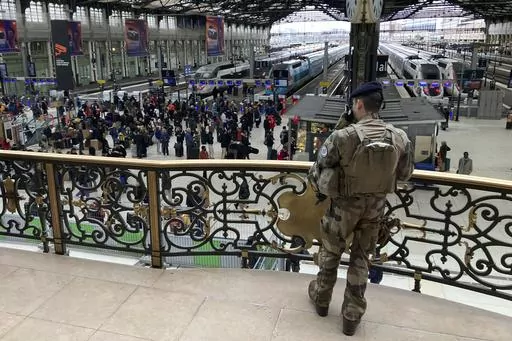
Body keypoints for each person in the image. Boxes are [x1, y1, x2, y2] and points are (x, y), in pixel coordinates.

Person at [307, 82, 414, 336]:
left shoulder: (343, 136)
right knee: (361, 259)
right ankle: (352, 315)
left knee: (331, 251)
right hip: (375, 210)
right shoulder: (399, 137)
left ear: (358, 104)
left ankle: (322, 299)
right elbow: (406, 174)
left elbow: (319, 168)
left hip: (343, 208)